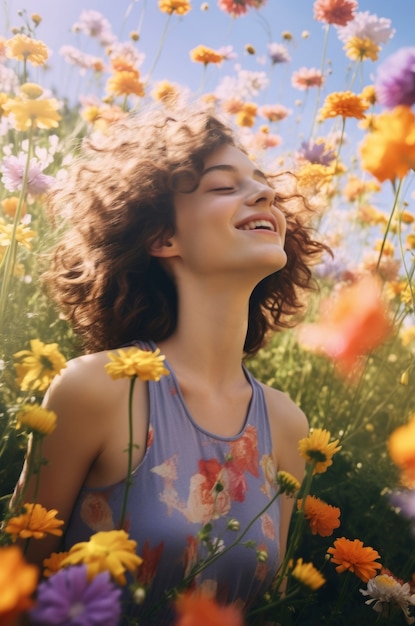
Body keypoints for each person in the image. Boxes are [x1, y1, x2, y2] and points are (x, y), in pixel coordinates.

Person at [14, 107, 326, 624]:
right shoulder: (97, 389)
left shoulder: (288, 425)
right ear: (163, 238)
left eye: (265, 184)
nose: (266, 194)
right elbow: (14, 587)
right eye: (224, 187)